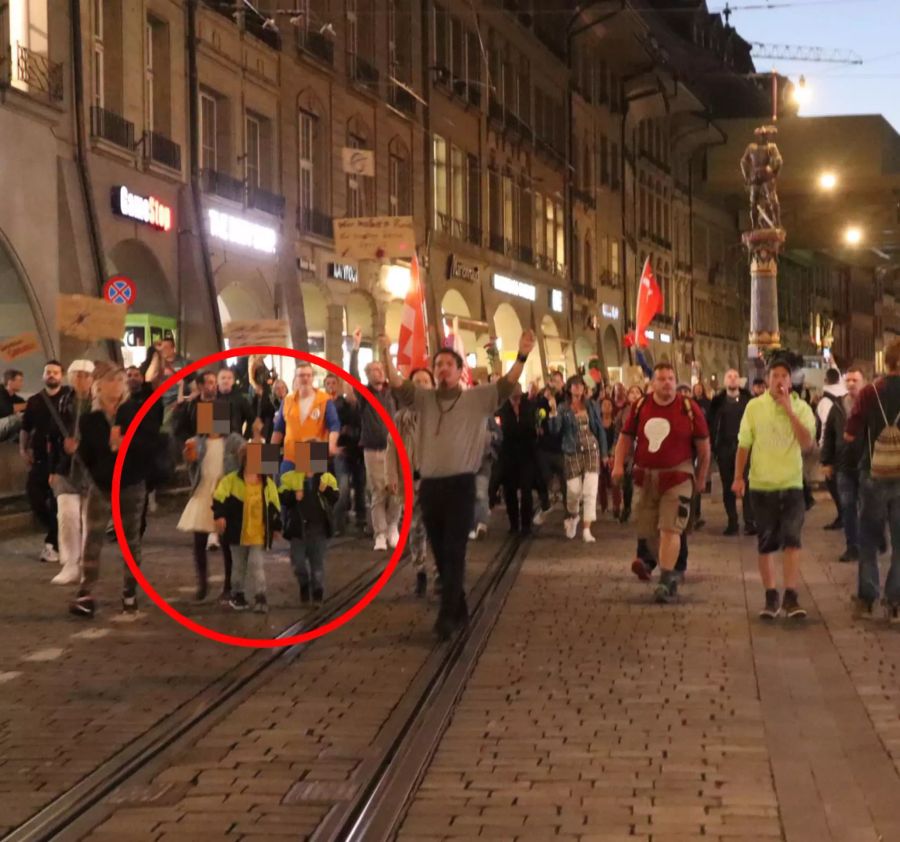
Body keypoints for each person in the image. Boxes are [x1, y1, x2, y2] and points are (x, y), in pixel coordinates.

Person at [381, 329, 536, 639]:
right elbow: (397, 383)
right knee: (440, 551)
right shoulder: (423, 399)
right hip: (431, 487)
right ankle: (459, 605)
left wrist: (522, 355)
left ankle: (446, 617)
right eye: (437, 365)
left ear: (459, 370)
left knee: (454, 549)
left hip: (461, 485)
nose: (442, 370)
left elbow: (507, 384)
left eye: (447, 365)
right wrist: (385, 352)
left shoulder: (476, 399)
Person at [612, 364, 710, 603]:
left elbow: (704, 448)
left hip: (678, 476)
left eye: (670, 378)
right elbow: (625, 439)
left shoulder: (688, 408)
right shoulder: (640, 407)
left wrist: (701, 477)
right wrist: (617, 465)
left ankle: (666, 579)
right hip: (645, 477)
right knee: (649, 531)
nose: (667, 383)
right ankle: (670, 569)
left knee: (670, 528)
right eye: (661, 379)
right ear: (653, 383)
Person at [733, 356, 816, 620]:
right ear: (768, 379)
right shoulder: (754, 408)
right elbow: (744, 444)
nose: (779, 380)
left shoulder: (802, 408)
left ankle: (790, 595)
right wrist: (738, 477)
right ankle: (771, 595)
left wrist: (789, 409)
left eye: (784, 376)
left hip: (791, 483)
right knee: (766, 543)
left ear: (790, 381)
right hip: (762, 484)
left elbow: (806, 444)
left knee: (792, 540)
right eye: (775, 375)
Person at [70, 363, 154, 617]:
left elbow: (151, 444)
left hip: (131, 484)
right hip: (102, 486)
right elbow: (88, 455)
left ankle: (129, 591)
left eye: (121, 380)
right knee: (92, 540)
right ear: (99, 386)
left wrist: (125, 443)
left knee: (130, 541)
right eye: (112, 380)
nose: (118, 384)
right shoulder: (90, 419)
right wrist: (78, 450)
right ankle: (86, 592)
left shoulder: (135, 412)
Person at [176, 371, 244, 602]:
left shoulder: (233, 440)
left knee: (227, 543)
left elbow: (249, 456)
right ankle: (202, 584)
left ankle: (228, 585)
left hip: (224, 496)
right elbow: (188, 458)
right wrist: (188, 454)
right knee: (199, 541)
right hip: (202, 493)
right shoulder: (197, 441)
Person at [845, 340, 900, 621]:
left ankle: (867, 599)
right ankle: (896, 602)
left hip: (874, 473)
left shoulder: (869, 392)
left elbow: (850, 433)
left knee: (867, 539)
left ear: (887, 362)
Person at [213, 445, 282, 613]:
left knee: (256, 564)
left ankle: (260, 595)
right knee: (238, 566)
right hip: (237, 534)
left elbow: (274, 507)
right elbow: (218, 499)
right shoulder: (230, 481)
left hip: (258, 533)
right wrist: (220, 516)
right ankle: (238, 594)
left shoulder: (268, 484)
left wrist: (276, 527)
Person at [349, 328, 400, 551]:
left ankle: (392, 526)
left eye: (380, 369)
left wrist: (387, 348)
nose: (377, 372)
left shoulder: (393, 393)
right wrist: (355, 348)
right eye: (373, 370)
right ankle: (380, 533)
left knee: (396, 491)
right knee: (378, 492)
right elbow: (352, 376)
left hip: (395, 450)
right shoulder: (364, 395)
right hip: (372, 449)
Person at [386, 367, 436, 595]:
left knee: (436, 528)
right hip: (411, 482)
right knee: (415, 528)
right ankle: (420, 570)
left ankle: (440, 572)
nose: (422, 385)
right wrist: (393, 476)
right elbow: (392, 449)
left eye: (426, 381)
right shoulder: (400, 418)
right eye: (417, 381)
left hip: (435, 480)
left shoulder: (440, 414)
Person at [47, 360, 95, 586]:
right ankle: (70, 563)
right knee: (67, 515)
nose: (82, 380)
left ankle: (88, 564)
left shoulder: (99, 403)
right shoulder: (63, 403)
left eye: (86, 375)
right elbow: (51, 438)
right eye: (78, 375)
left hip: (92, 468)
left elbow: (216, 434)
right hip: (67, 467)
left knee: (89, 518)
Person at [548, 375, 608, 542]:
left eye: (580, 385)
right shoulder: (563, 407)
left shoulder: (591, 405)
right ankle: (573, 516)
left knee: (590, 490)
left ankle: (587, 530)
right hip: (572, 450)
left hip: (591, 448)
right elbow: (555, 430)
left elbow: (600, 429)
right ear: (569, 388)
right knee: (573, 490)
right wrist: (552, 412)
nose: (578, 388)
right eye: (574, 385)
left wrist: (604, 453)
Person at [20, 360, 68, 563]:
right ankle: (56, 535)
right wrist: (23, 448)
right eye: (48, 372)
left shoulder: (68, 397)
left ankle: (53, 543)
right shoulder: (35, 401)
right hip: (40, 458)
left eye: (55, 372)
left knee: (58, 501)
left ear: (61, 376)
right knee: (35, 496)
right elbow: (25, 427)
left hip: (60, 459)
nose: (51, 375)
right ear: (43, 376)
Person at [822, 367, 866, 563]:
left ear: (863, 382)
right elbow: (829, 434)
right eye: (848, 380)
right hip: (844, 465)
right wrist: (826, 461)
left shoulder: (871, 405)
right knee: (848, 506)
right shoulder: (838, 406)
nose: (851, 384)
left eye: (855, 380)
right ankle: (852, 546)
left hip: (867, 465)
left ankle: (873, 540)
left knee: (868, 507)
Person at [709, 369, 755, 536]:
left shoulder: (749, 401)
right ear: (724, 381)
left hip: (745, 448)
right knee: (728, 485)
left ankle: (750, 521)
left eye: (736, 376)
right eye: (729, 376)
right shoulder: (717, 403)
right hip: (725, 449)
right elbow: (712, 425)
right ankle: (732, 521)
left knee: (748, 485)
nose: (733, 379)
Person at [271, 361, 340, 473]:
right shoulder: (287, 401)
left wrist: (332, 444)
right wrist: (269, 457)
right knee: (285, 487)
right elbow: (278, 429)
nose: (305, 379)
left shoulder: (324, 400)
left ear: (312, 378)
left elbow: (334, 425)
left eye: (308, 375)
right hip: (291, 454)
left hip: (314, 453)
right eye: (301, 375)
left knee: (311, 489)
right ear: (296, 378)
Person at [125, 365, 166, 532]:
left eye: (137, 375)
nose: (133, 378)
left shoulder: (150, 398)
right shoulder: (123, 399)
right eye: (129, 375)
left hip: (144, 450)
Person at [497, 382, 540, 535]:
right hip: (508, 455)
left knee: (526, 490)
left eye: (518, 390)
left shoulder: (529, 406)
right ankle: (514, 524)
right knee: (509, 491)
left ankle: (526, 524)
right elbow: (500, 431)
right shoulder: (502, 409)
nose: (516, 393)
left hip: (526, 454)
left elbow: (534, 426)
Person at [533, 371, 567, 525]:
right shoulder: (542, 400)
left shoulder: (564, 401)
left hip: (561, 448)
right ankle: (545, 505)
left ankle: (569, 516)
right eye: (552, 381)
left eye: (557, 381)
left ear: (562, 383)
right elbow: (535, 416)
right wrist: (541, 400)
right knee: (542, 479)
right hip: (544, 447)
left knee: (566, 483)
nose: (554, 384)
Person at [817, 368, 847, 530]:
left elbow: (825, 428)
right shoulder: (845, 398)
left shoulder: (825, 401)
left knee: (834, 484)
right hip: (847, 448)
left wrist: (824, 450)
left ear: (826, 380)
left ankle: (844, 515)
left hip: (834, 449)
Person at [598, 397, 621, 519]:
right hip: (599, 455)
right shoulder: (597, 422)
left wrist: (612, 454)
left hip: (613, 455)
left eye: (609, 405)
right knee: (601, 481)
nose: (606, 407)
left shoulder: (616, 422)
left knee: (615, 482)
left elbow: (617, 439)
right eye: (604, 405)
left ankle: (617, 507)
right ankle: (604, 506)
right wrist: (602, 455)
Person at [217, 367, 255, 439]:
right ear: (217, 381)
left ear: (233, 381)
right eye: (223, 378)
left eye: (229, 378)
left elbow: (251, 419)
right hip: (215, 443)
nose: (226, 381)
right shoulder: (211, 398)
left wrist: (245, 437)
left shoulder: (240, 399)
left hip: (235, 441)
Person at [0, 368, 26, 442]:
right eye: (20, 381)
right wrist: (29, 404)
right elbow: (7, 409)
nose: (22, 384)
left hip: (4, 429)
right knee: (18, 418)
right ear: (10, 382)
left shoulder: (17, 399)